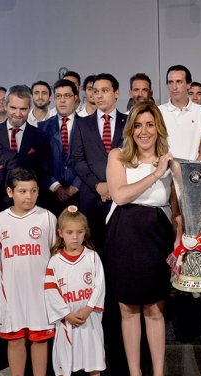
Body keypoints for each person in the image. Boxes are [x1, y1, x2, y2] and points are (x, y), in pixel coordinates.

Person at [105, 101, 176, 376]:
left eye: (149, 124)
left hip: (157, 236)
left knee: (155, 310)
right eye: (138, 125)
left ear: (158, 127)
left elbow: (176, 206)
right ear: (130, 129)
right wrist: (154, 174)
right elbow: (120, 195)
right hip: (124, 234)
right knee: (128, 309)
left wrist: (180, 242)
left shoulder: (170, 160)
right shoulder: (118, 156)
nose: (144, 131)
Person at [0, 169, 56, 376]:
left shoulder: (48, 218)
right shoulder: (0, 220)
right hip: (12, 292)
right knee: (16, 339)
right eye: (22, 191)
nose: (28, 196)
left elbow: (54, 255)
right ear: (10, 192)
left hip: (39, 292)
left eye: (33, 191)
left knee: (39, 339)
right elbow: (0, 258)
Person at [44, 206, 106, 376]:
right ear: (60, 233)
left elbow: (99, 285)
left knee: (94, 350)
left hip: (90, 316)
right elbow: (51, 292)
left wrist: (88, 309)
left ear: (85, 233)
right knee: (64, 352)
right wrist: (66, 314)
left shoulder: (92, 257)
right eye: (70, 232)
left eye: (80, 232)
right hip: (67, 319)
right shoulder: (55, 261)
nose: (75, 237)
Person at [71, 73, 127, 250]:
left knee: (120, 251)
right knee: (93, 251)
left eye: (105, 90)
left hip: (122, 199)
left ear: (116, 93)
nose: (99, 95)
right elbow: (77, 160)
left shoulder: (129, 123)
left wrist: (113, 186)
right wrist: (98, 185)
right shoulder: (81, 124)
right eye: (96, 91)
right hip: (91, 198)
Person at [0, 85, 53, 208]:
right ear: (5, 105)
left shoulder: (40, 136)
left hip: (32, 203)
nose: (18, 114)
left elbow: (45, 172)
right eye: (13, 108)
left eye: (23, 109)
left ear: (29, 109)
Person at [38, 79, 83, 214]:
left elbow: (90, 159)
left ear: (75, 98)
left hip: (81, 194)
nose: (62, 100)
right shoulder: (42, 127)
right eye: (58, 96)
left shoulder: (88, 126)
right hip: (51, 196)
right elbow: (41, 162)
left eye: (67, 96)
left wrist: (75, 186)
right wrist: (56, 186)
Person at [158, 64, 201, 160]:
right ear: (167, 85)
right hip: (162, 172)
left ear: (188, 85)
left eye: (179, 82)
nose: (174, 87)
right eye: (170, 82)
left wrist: (190, 173)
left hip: (192, 172)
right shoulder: (158, 111)